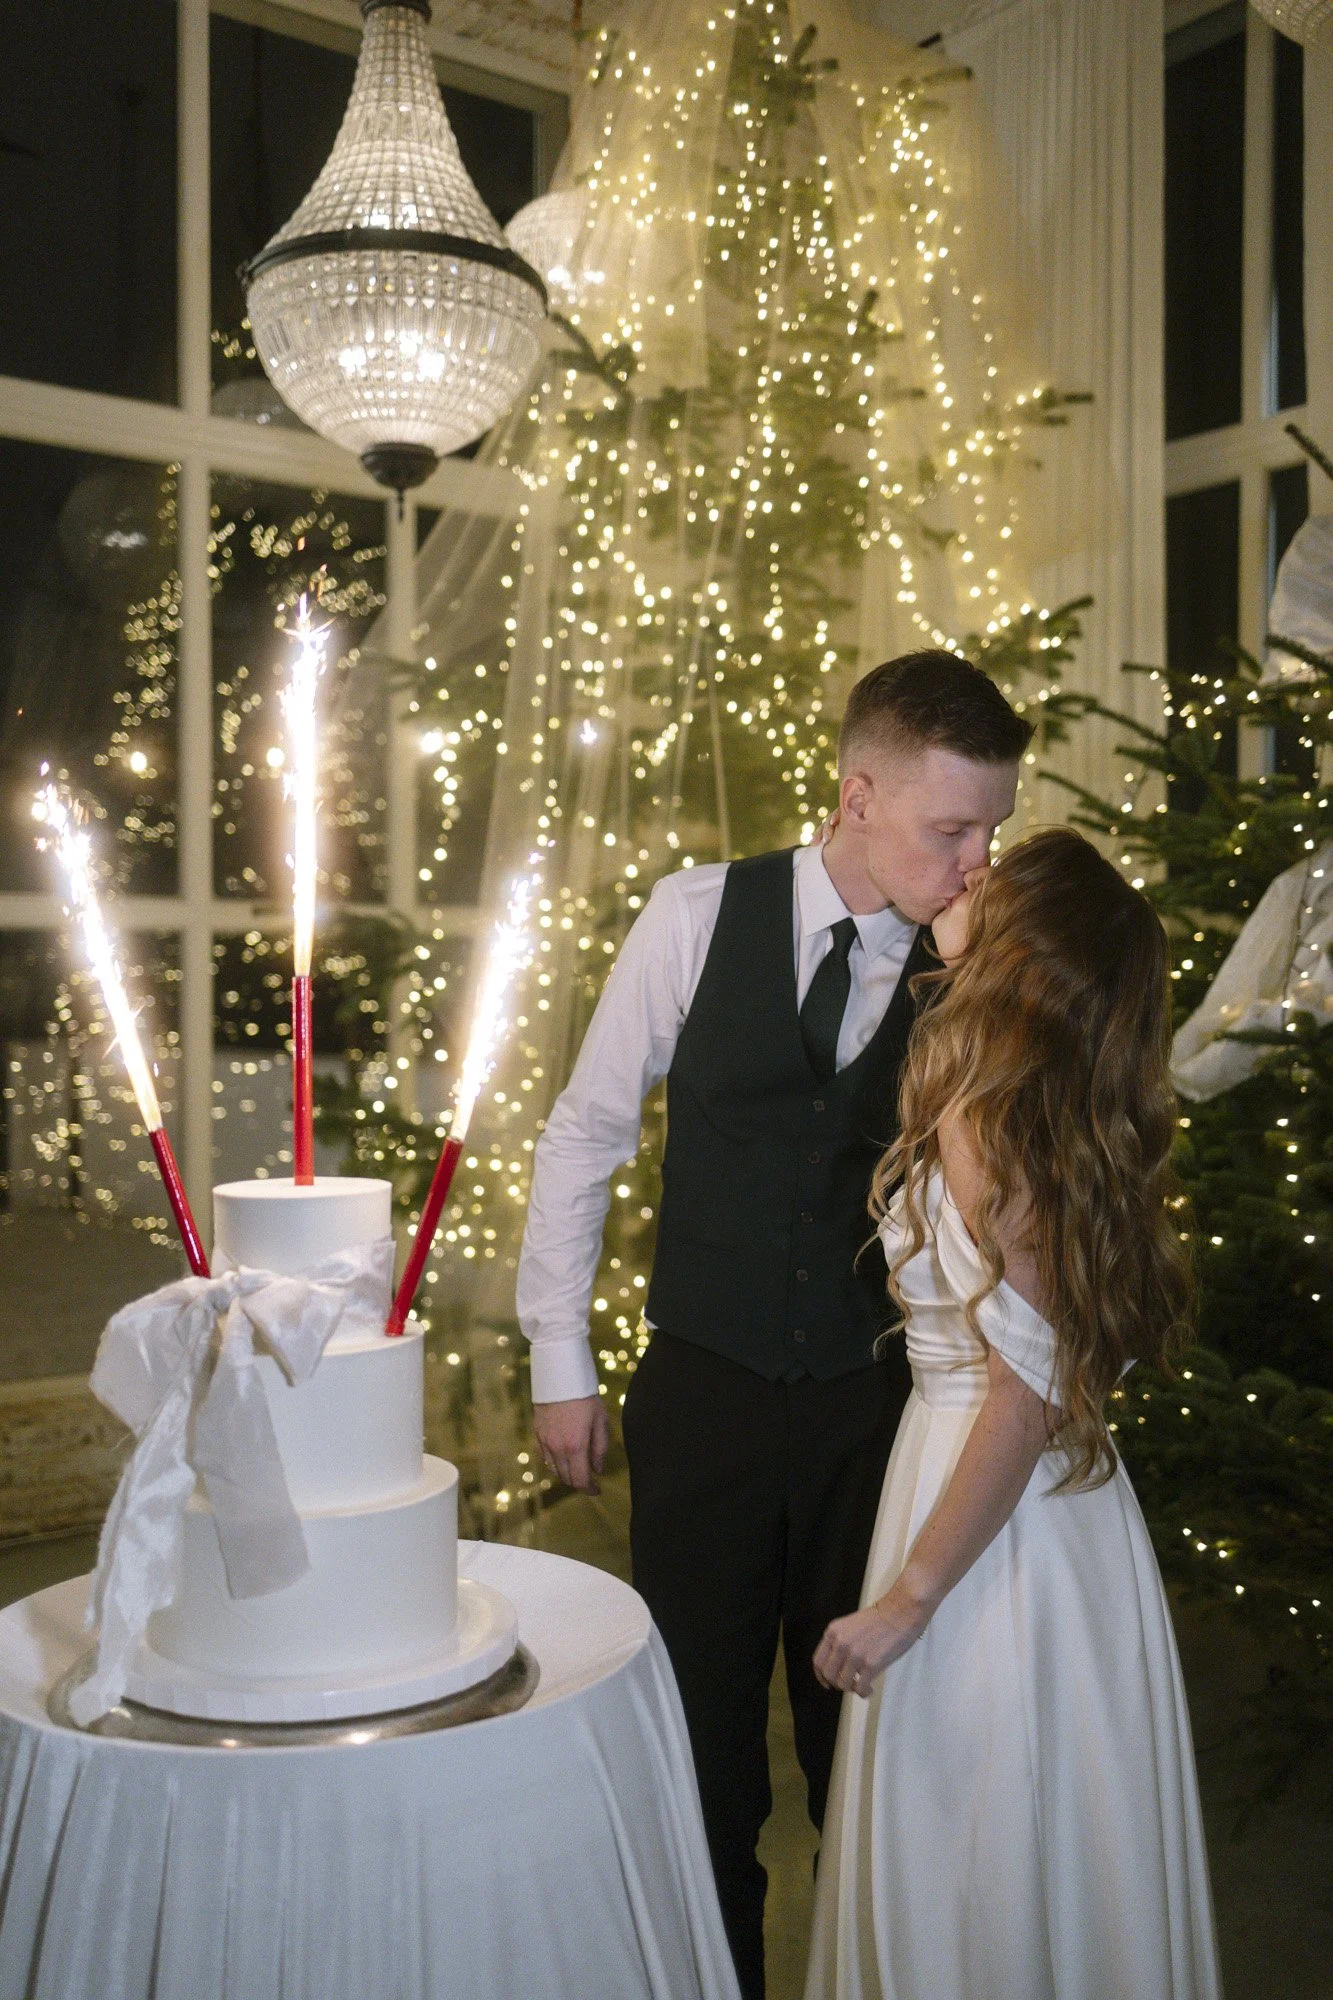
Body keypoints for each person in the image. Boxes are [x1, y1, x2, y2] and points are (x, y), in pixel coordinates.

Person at [516, 649, 1032, 2000]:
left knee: (862, 1744)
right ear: (857, 794)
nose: (979, 860)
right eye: (952, 828)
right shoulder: (693, 916)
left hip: (881, 1413)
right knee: (695, 1744)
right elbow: (584, 1137)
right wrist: (557, 1357)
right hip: (704, 1394)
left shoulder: (974, 958)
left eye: (994, 828)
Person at [807, 827, 1221, 2000]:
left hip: (996, 1519)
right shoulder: (1034, 1099)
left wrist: (907, 1598)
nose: (968, 873)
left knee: (974, 1841)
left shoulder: (989, 1118)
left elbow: (1028, 1389)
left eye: (999, 875)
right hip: (1028, 1498)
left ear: (1025, 949)